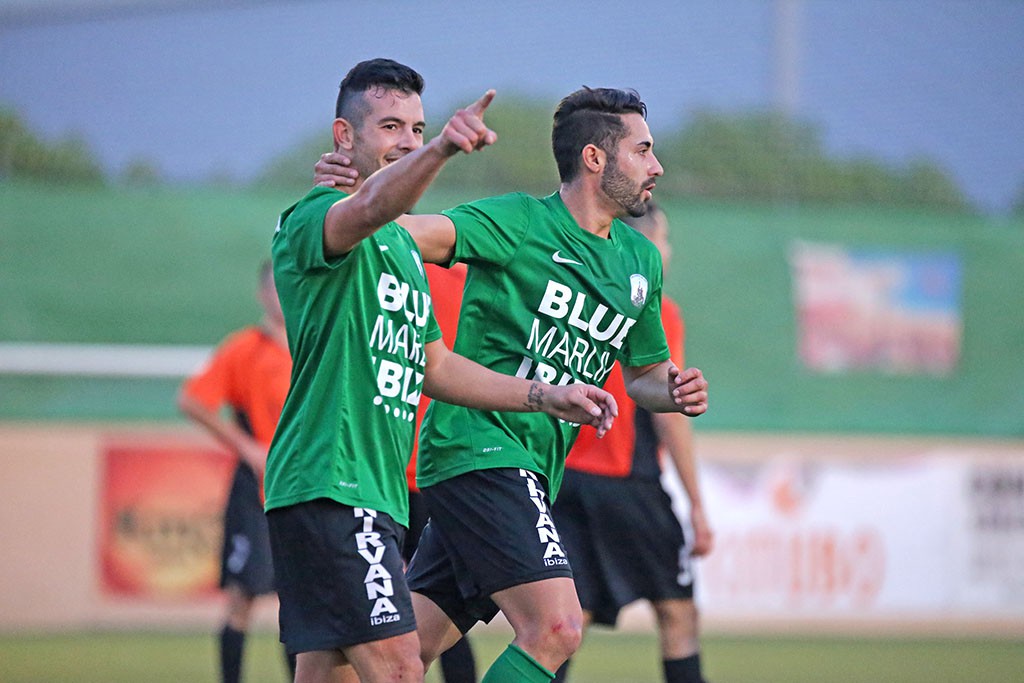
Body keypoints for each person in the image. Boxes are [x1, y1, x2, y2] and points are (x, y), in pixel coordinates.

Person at [315, 85, 710, 682]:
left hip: (533, 467)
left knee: (399, 657)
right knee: (557, 627)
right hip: (479, 448)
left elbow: (644, 377)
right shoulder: (520, 222)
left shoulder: (639, 261)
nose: (656, 167)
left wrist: (673, 389)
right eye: (643, 150)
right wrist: (350, 203)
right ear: (595, 158)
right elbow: (406, 236)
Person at [265, 58, 617, 683]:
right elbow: (367, 204)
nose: (406, 140)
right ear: (344, 137)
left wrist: (542, 395)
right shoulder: (312, 221)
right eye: (391, 126)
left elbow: (436, 366)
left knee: (331, 673)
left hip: (376, 490)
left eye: (418, 128)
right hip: (329, 480)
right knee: (401, 667)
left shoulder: (399, 248)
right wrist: (442, 152)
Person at [551, 202, 715, 683]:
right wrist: (698, 507)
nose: (667, 251)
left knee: (564, 622)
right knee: (678, 614)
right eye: (663, 241)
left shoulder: (576, 293)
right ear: (645, 246)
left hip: (563, 480)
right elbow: (672, 416)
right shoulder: (657, 308)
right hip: (629, 482)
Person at [177, 260, 295, 683]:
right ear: (262, 294)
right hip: (258, 491)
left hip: (307, 490)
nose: (283, 296)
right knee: (242, 598)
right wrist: (247, 448)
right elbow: (192, 400)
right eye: (275, 289)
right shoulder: (246, 347)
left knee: (299, 602)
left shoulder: (316, 342)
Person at [403, 262, 478, 683]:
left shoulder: (380, 270)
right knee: (440, 610)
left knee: (433, 610)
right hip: (443, 468)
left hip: (404, 470)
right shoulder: (476, 272)